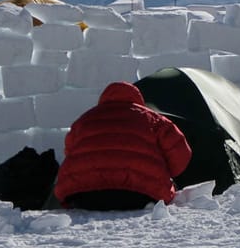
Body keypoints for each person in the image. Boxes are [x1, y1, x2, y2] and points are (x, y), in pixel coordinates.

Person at [53, 81, 192, 210]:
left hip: (83, 195)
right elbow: (181, 153)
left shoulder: (84, 120)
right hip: (142, 195)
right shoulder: (154, 119)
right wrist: (164, 174)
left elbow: (69, 150)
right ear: (137, 99)